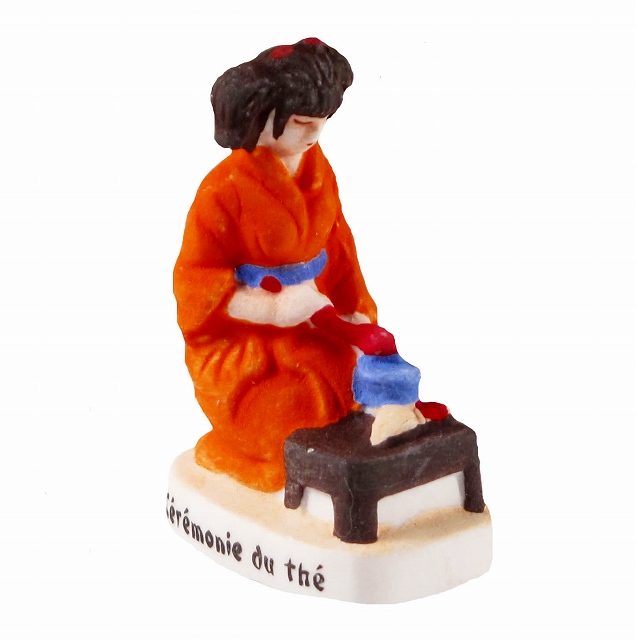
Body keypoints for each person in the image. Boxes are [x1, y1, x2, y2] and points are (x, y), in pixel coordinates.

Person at [174, 39, 379, 492]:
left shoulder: (319, 170)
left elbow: (339, 244)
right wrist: (270, 310)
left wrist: (354, 310)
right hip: (245, 345)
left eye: (323, 121)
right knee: (287, 415)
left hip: (311, 326)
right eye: (302, 122)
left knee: (361, 384)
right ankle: (250, 458)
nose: (315, 133)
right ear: (261, 118)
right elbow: (195, 282)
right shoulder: (222, 190)